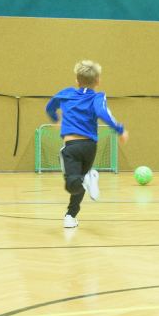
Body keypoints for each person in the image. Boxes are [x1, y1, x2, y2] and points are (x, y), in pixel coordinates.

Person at [45, 60, 128, 229]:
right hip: (90, 148)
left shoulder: (66, 93)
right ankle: (70, 216)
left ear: (77, 80)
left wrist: (55, 118)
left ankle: (87, 178)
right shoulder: (98, 96)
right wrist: (119, 130)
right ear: (98, 81)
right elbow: (103, 113)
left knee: (72, 184)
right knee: (79, 184)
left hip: (71, 148)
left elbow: (49, 107)